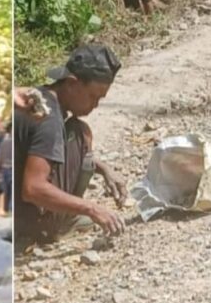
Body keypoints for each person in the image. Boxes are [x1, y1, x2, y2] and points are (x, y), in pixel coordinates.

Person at [14, 44, 129, 252]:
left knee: (78, 130)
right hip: (19, 220)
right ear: (72, 84)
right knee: (82, 133)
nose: (95, 105)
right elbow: (32, 188)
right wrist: (92, 209)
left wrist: (103, 169)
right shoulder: (49, 121)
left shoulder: (42, 97)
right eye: (93, 97)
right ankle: (51, 226)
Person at [0, 122, 14, 216]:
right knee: (8, 191)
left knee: (8, 191)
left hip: (6, 169)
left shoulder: (5, 141)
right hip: (6, 169)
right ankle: (8, 210)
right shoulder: (6, 142)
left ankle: (8, 210)